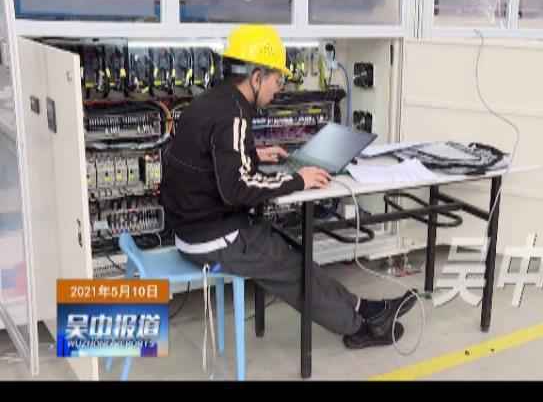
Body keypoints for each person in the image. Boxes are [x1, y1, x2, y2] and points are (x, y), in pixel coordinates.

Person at [160, 25, 416, 349]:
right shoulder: (233, 114)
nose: (277, 89)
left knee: (293, 252)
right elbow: (236, 188)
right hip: (210, 237)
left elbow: (211, 159)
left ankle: (363, 308)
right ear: (256, 77)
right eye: (276, 80)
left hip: (196, 227)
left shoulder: (214, 100)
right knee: (293, 267)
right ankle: (359, 328)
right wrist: (298, 179)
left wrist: (253, 155)